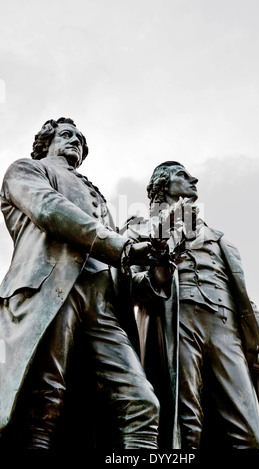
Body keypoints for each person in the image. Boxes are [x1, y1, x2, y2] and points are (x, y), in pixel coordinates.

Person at [0, 118, 160, 450]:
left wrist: (159, 271)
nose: (76, 141)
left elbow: (123, 272)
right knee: (42, 404)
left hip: (104, 306)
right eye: (67, 135)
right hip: (47, 292)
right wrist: (121, 247)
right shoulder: (26, 170)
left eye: (81, 139)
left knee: (143, 404)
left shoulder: (98, 197)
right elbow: (50, 210)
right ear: (47, 142)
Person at [124, 160, 259, 450]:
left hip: (225, 328)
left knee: (252, 435)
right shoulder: (139, 229)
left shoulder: (219, 240)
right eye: (182, 174)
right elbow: (128, 285)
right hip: (176, 323)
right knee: (186, 428)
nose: (194, 179)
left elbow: (246, 306)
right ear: (163, 185)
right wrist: (159, 275)